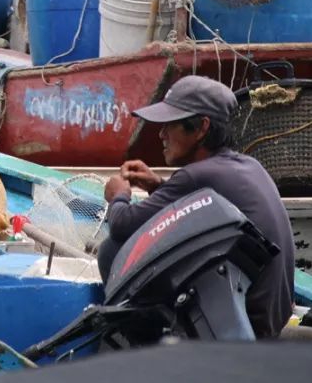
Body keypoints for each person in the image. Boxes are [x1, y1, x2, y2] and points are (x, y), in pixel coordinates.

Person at [97, 75, 295, 339]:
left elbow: (122, 226)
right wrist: (158, 186)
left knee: (112, 250)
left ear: (201, 127)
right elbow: (201, 205)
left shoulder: (195, 176)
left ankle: (144, 348)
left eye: (170, 125)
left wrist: (119, 195)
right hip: (270, 323)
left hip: (244, 327)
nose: (161, 134)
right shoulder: (248, 166)